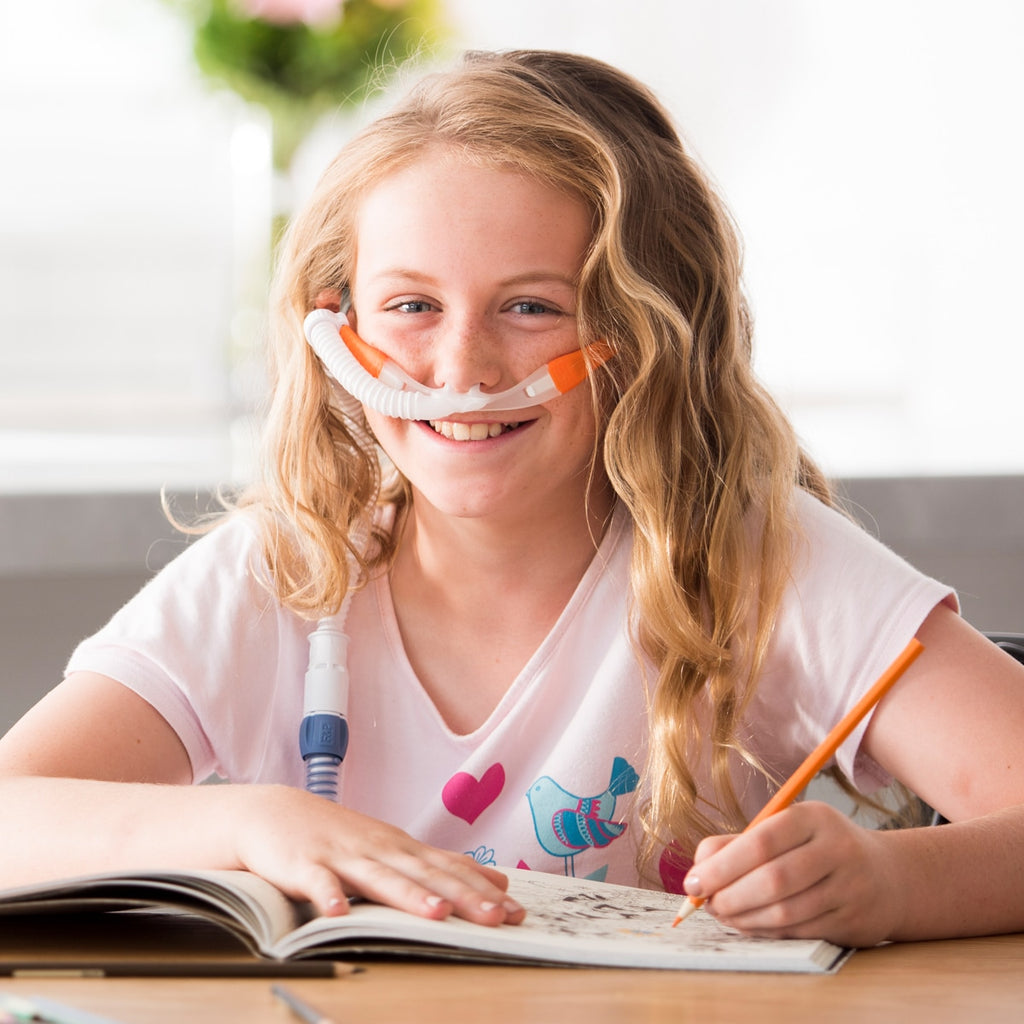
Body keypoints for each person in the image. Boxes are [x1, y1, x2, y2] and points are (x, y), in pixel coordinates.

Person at [1, 49, 1022, 949]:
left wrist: (892, 884)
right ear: (335, 328)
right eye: (411, 305)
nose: (463, 369)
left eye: (531, 307)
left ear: (642, 334)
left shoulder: (756, 562)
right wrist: (249, 821)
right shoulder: (282, 571)